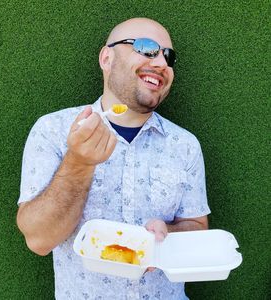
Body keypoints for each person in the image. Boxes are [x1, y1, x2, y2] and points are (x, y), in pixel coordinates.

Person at [17, 17, 211, 300]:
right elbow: (39, 240)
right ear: (106, 58)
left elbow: (196, 228)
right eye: (146, 48)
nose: (161, 63)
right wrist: (79, 163)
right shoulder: (53, 130)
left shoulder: (185, 145)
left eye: (168, 57)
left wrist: (165, 233)